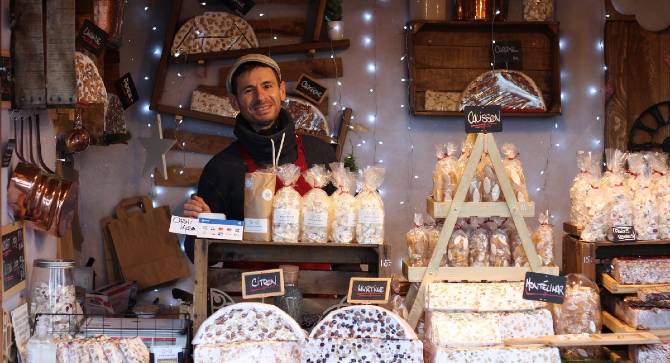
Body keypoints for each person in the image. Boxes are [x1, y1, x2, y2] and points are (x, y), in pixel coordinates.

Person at [183, 54, 336, 260]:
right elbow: (197, 256)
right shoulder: (221, 168)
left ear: (281, 91)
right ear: (234, 101)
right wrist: (207, 225)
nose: (261, 97)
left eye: (267, 86)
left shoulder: (320, 153)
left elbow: (348, 235)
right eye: (248, 90)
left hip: (317, 288)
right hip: (248, 288)